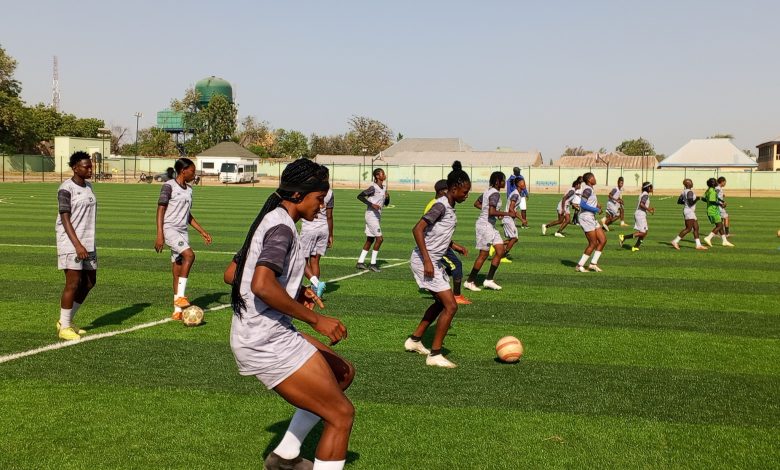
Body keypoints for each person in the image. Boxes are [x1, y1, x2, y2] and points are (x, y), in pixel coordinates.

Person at [227, 158, 354, 470]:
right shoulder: (281, 227)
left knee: (342, 373)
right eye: (319, 199)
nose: (322, 207)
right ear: (298, 195)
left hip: (272, 332)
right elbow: (260, 285)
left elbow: (233, 274)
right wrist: (316, 320)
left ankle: (284, 456)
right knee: (341, 415)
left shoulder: (273, 220)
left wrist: (295, 290)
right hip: (263, 341)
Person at [405, 162, 472, 368]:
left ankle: (414, 340)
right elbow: (418, 229)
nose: (466, 196)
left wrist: (454, 245)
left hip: (433, 260)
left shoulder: (448, 206)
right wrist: (426, 260)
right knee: (451, 306)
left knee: (440, 304)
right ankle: (435, 355)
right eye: (465, 192)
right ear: (453, 189)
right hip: (426, 261)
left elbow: (436, 233)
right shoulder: (441, 205)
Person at [155, 158, 212, 320]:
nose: (194, 174)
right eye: (192, 171)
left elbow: (187, 215)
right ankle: (181, 296)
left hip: (182, 231)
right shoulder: (168, 186)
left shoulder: (190, 189)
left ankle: (177, 310)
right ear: (183, 171)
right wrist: (160, 234)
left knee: (177, 270)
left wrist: (202, 231)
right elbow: (160, 210)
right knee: (190, 255)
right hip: (170, 229)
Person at [55, 151, 97, 340]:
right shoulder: (66, 189)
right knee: (73, 283)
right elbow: (65, 218)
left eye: (91, 166)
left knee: (89, 282)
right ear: (75, 168)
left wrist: (85, 244)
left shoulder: (89, 187)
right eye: (86, 166)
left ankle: (66, 321)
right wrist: (77, 245)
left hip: (87, 242)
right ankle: (64, 327)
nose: (90, 169)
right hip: (71, 242)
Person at [463, 171, 515, 291]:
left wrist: (493, 212)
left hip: (490, 225)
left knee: (500, 250)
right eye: (503, 180)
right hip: (485, 226)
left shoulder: (488, 191)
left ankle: (489, 280)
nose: (504, 182)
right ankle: (469, 281)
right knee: (484, 254)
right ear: (497, 181)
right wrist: (507, 213)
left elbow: (477, 204)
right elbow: (491, 212)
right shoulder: (495, 194)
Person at [425, 180, 471, 305]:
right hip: (436, 246)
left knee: (451, 267)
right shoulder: (437, 205)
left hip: (441, 244)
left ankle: (436, 283)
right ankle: (456, 295)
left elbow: (439, 231)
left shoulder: (440, 204)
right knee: (456, 265)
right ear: (443, 191)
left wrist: (455, 246)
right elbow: (425, 229)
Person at [300, 180, 334, 298]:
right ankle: (316, 293)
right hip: (324, 228)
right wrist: (330, 234)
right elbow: (329, 216)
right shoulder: (330, 192)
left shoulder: (310, 189)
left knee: (301, 260)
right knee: (315, 261)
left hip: (309, 227)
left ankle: (315, 284)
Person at [355, 168, 387, 272]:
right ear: (377, 176)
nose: (384, 175)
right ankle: (373, 264)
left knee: (370, 239)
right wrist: (371, 204)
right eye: (383, 173)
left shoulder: (384, 187)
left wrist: (387, 198)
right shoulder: (373, 188)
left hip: (377, 215)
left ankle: (360, 262)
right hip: (371, 215)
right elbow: (360, 196)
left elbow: (386, 204)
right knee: (380, 239)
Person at [574, 172, 607, 272]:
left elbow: (588, 202)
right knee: (592, 243)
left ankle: (593, 264)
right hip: (586, 218)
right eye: (593, 177)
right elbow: (582, 204)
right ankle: (579, 266)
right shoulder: (588, 189)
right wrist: (596, 209)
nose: (595, 179)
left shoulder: (590, 188)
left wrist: (597, 205)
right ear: (589, 180)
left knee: (602, 240)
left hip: (591, 217)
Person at [671, 179, 707, 251]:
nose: (692, 183)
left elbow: (679, 201)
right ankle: (675, 241)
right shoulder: (690, 192)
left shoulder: (684, 192)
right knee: (688, 228)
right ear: (688, 184)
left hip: (690, 211)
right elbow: (691, 203)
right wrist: (697, 199)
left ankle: (698, 245)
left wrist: (686, 203)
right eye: (691, 182)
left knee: (696, 228)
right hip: (689, 212)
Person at [619, 182, 654, 252]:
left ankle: (635, 247)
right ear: (649, 188)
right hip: (640, 215)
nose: (652, 189)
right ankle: (624, 237)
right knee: (643, 232)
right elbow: (641, 204)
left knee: (645, 232)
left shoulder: (643, 194)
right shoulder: (646, 195)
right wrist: (649, 209)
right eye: (651, 187)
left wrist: (647, 209)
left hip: (641, 214)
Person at [703, 177, 734, 247]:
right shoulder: (713, 191)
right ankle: (708, 238)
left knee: (720, 225)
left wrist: (721, 201)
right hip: (713, 210)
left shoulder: (709, 190)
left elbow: (703, 198)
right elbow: (712, 201)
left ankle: (725, 241)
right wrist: (721, 204)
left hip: (712, 209)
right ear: (714, 183)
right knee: (720, 225)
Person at [501, 180, 521, 261]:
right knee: (514, 238)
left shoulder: (516, 193)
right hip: (508, 218)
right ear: (518, 185)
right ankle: (502, 256)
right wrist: (522, 219)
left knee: (514, 239)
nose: (524, 184)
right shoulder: (515, 194)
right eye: (522, 182)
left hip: (510, 219)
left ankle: (495, 246)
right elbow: (511, 208)